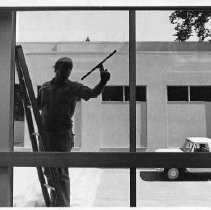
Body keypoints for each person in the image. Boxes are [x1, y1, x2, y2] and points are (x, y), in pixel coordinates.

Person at [37, 57, 110, 207]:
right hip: (45, 135)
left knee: (61, 173)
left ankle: (63, 205)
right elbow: (38, 105)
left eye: (69, 70)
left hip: (62, 135)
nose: (66, 72)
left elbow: (92, 93)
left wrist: (103, 82)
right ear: (56, 68)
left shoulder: (74, 87)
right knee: (48, 171)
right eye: (63, 69)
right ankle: (55, 201)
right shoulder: (44, 88)